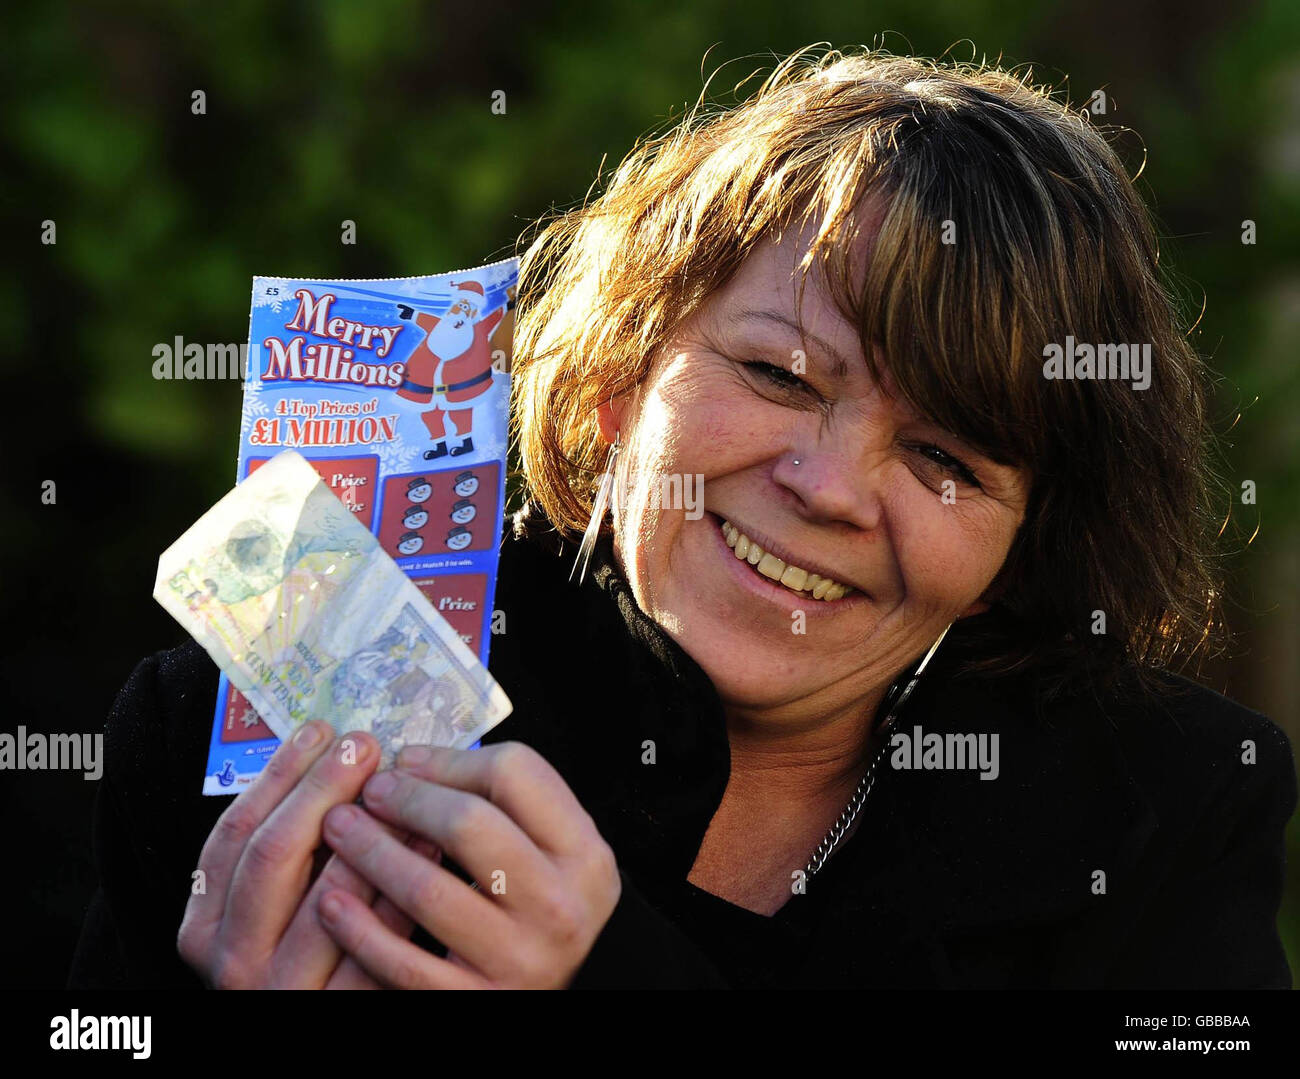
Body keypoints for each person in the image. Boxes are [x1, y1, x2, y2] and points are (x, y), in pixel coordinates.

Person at [70, 46, 1295, 989]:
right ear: (618, 377)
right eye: (777, 374)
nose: (824, 485)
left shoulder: (1167, 819)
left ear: (1020, 541)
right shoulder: (238, 730)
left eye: (943, 457)